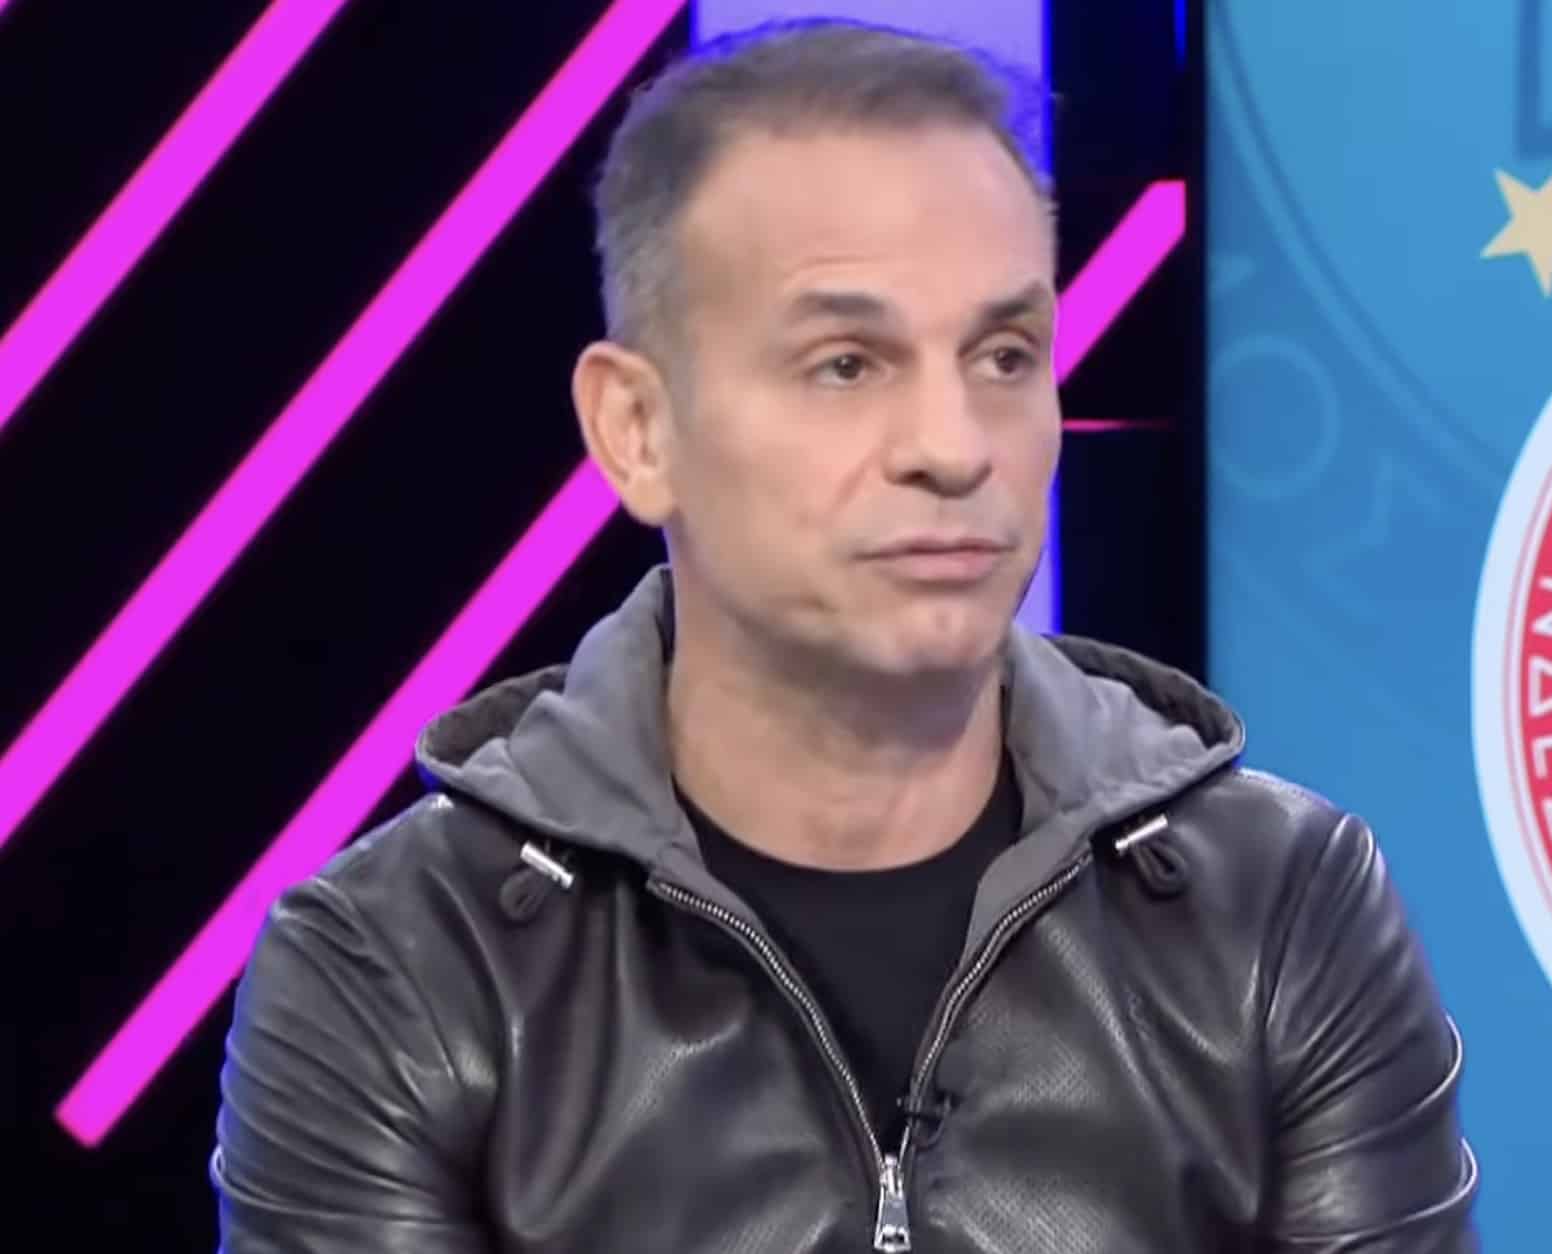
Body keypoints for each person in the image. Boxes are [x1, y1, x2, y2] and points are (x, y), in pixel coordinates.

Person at [211, 19, 1478, 1252]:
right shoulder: (403, 965)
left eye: (1003, 355)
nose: (953, 447)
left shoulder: (1279, 908)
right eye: (846, 364)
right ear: (637, 431)